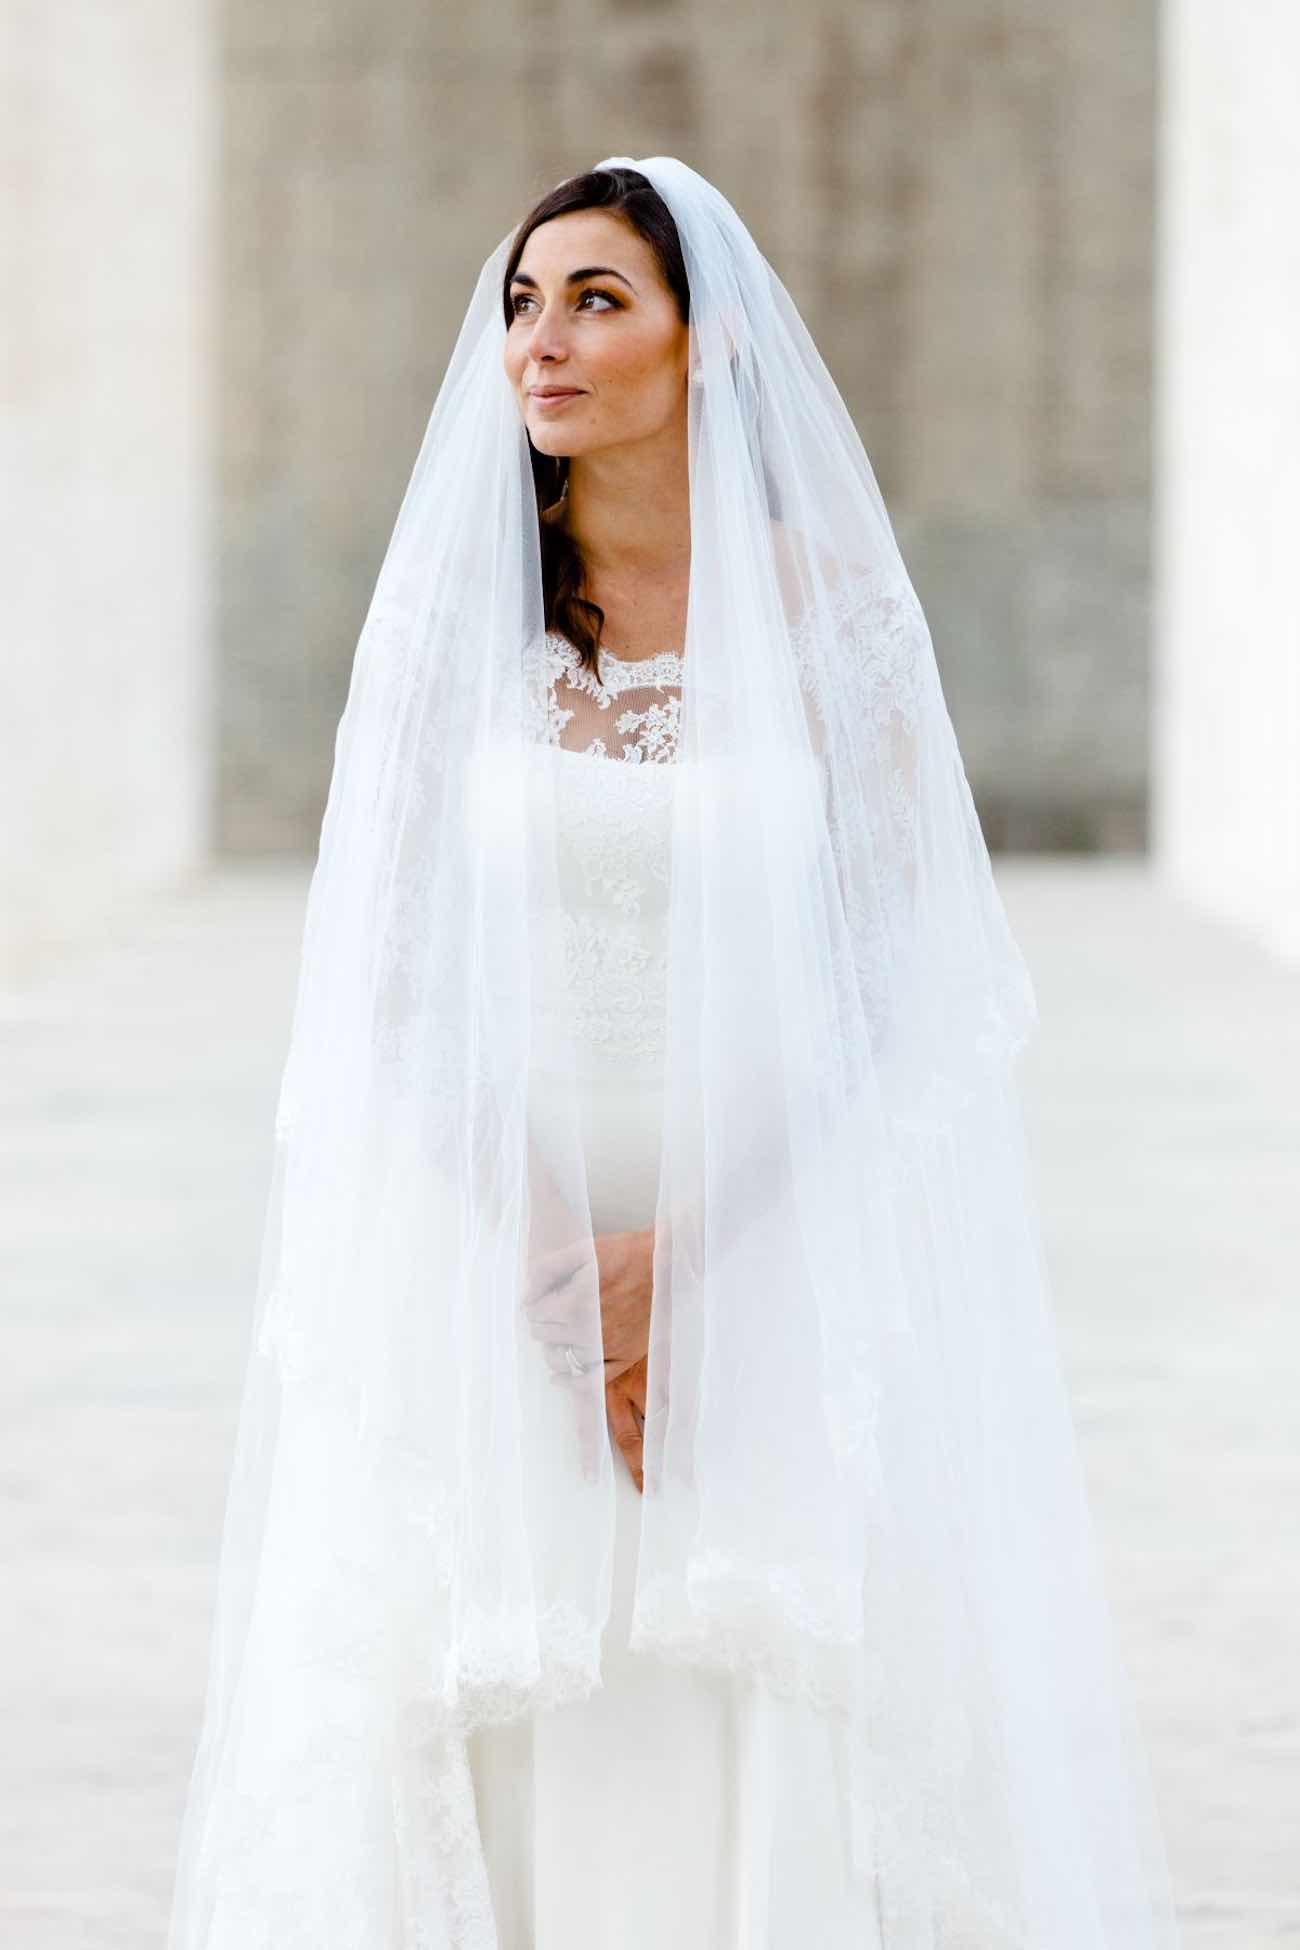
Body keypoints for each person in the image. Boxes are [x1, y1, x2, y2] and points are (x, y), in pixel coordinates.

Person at [167, 157, 1184, 1949]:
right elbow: (382, 970)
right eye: (521, 305)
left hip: (767, 1227)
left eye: (596, 300)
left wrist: (684, 1264)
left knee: (748, 1653)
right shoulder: (454, 619)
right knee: (504, 1654)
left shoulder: (824, 613)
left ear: (702, 347)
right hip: (494, 1238)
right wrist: (562, 1252)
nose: (541, 342)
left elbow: (893, 965)